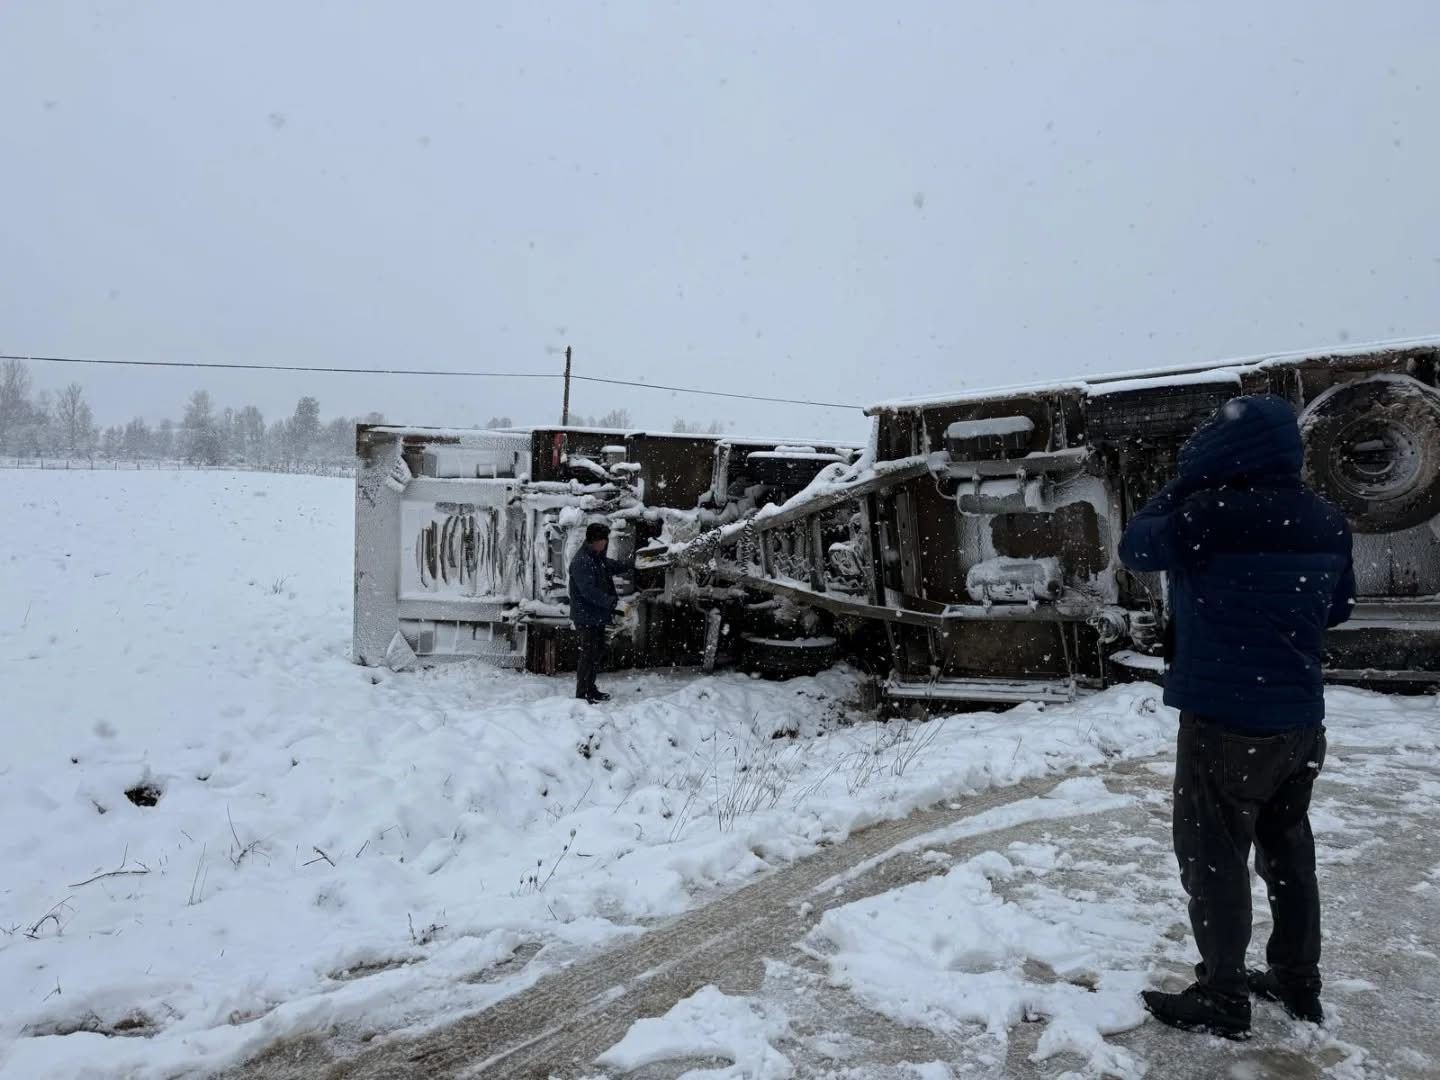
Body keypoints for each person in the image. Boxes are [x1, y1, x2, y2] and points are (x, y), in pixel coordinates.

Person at [1119, 394, 1355, 1039]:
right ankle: (1297, 981)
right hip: (1301, 721)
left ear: (1226, 450)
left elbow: (1136, 546)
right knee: (1288, 852)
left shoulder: (1207, 514)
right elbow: (1337, 610)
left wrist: (1183, 485)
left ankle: (1223, 996)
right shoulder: (1327, 519)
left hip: (1224, 720)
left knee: (1214, 857)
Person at [567, 522, 631, 704]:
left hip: (596, 616)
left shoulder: (596, 557)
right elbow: (589, 592)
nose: (606, 543)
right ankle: (582, 694)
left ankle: (590, 688)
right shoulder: (582, 561)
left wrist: (631, 565)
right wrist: (613, 603)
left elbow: (610, 566)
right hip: (586, 616)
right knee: (588, 655)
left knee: (596, 653)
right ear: (595, 540)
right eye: (604, 540)